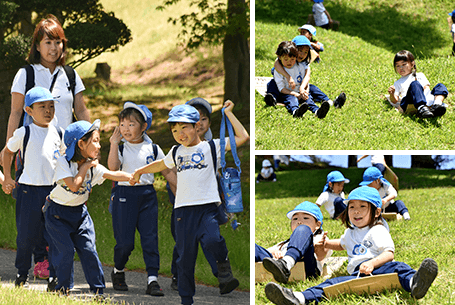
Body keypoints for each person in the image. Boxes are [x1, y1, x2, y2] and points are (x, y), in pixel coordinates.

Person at [131, 101, 249, 305]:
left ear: (197, 126)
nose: (180, 134)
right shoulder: (176, 151)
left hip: (208, 209)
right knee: (185, 259)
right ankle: (186, 299)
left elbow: (243, 137)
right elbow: (161, 164)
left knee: (213, 241)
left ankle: (223, 269)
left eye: (184, 127)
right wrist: (140, 171)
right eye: (175, 130)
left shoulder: (212, 147)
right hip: (183, 212)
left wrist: (228, 113)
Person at [4, 14, 90, 279]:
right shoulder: (26, 74)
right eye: (48, 42)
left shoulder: (71, 76)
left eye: (58, 42)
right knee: (36, 206)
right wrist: (12, 149)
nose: (54, 48)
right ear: (37, 45)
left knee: (61, 203)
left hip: (65, 152)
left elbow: (82, 110)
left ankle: (56, 256)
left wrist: (91, 145)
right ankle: (40, 259)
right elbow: (16, 113)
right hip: (34, 150)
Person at [264, 186, 438, 304]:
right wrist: (326, 243)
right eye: (352, 207)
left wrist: (372, 263)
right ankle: (299, 298)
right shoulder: (350, 233)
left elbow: (389, 254)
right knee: (331, 284)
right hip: (357, 274)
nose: (356, 211)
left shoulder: (377, 230)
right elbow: (340, 244)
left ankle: (414, 283)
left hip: (381, 269)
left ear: (377, 212)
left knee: (400, 267)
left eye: (362, 206)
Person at [44, 119, 132, 297]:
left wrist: (132, 176)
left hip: (80, 214)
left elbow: (112, 174)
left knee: (89, 250)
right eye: (96, 140)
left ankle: (98, 291)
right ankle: (63, 290)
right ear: (81, 144)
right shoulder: (63, 163)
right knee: (66, 252)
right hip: (57, 215)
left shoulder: (92, 167)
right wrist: (84, 167)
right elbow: (74, 185)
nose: (99, 146)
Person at [107, 102, 177, 296]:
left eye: (131, 124)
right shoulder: (121, 148)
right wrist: (113, 144)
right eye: (122, 124)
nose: (126, 129)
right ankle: (118, 270)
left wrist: (182, 192)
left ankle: (152, 279)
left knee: (150, 239)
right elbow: (112, 169)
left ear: (144, 126)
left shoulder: (153, 148)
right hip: (124, 196)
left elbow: (168, 172)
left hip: (147, 196)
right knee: (125, 243)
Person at [1, 87, 64, 287]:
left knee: (53, 236)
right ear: (28, 110)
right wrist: (8, 178)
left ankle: (53, 276)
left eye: (51, 106)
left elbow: (63, 161)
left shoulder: (59, 132)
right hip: (28, 190)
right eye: (42, 106)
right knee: (26, 236)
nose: (48, 110)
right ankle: (22, 274)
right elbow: (7, 153)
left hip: (53, 192)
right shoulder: (24, 132)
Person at [255, 201, 332, 283]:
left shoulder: (319, 238)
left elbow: (321, 255)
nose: (299, 221)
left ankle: (286, 264)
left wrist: (319, 248)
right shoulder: (285, 243)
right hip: (278, 267)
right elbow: (265, 252)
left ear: (318, 225)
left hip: (307, 269)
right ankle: (282, 265)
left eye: (305, 218)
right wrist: (275, 252)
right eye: (295, 219)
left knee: (303, 229)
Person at [270, 36, 346, 112]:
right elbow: (276, 63)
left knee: (313, 89)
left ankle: (330, 102)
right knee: (272, 84)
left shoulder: (304, 63)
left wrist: (303, 89)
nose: (302, 54)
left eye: (306, 52)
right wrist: (288, 77)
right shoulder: (287, 59)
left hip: (299, 86)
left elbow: (307, 76)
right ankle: (273, 98)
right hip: (286, 86)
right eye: (300, 51)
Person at [387, 50, 448, 118]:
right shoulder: (398, 83)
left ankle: (437, 105)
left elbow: (426, 89)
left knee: (440, 86)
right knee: (415, 84)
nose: (401, 68)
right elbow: (395, 100)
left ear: (412, 64)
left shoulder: (420, 75)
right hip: (409, 102)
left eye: (404, 64)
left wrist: (428, 100)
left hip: (425, 98)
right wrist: (391, 94)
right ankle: (421, 108)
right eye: (397, 65)